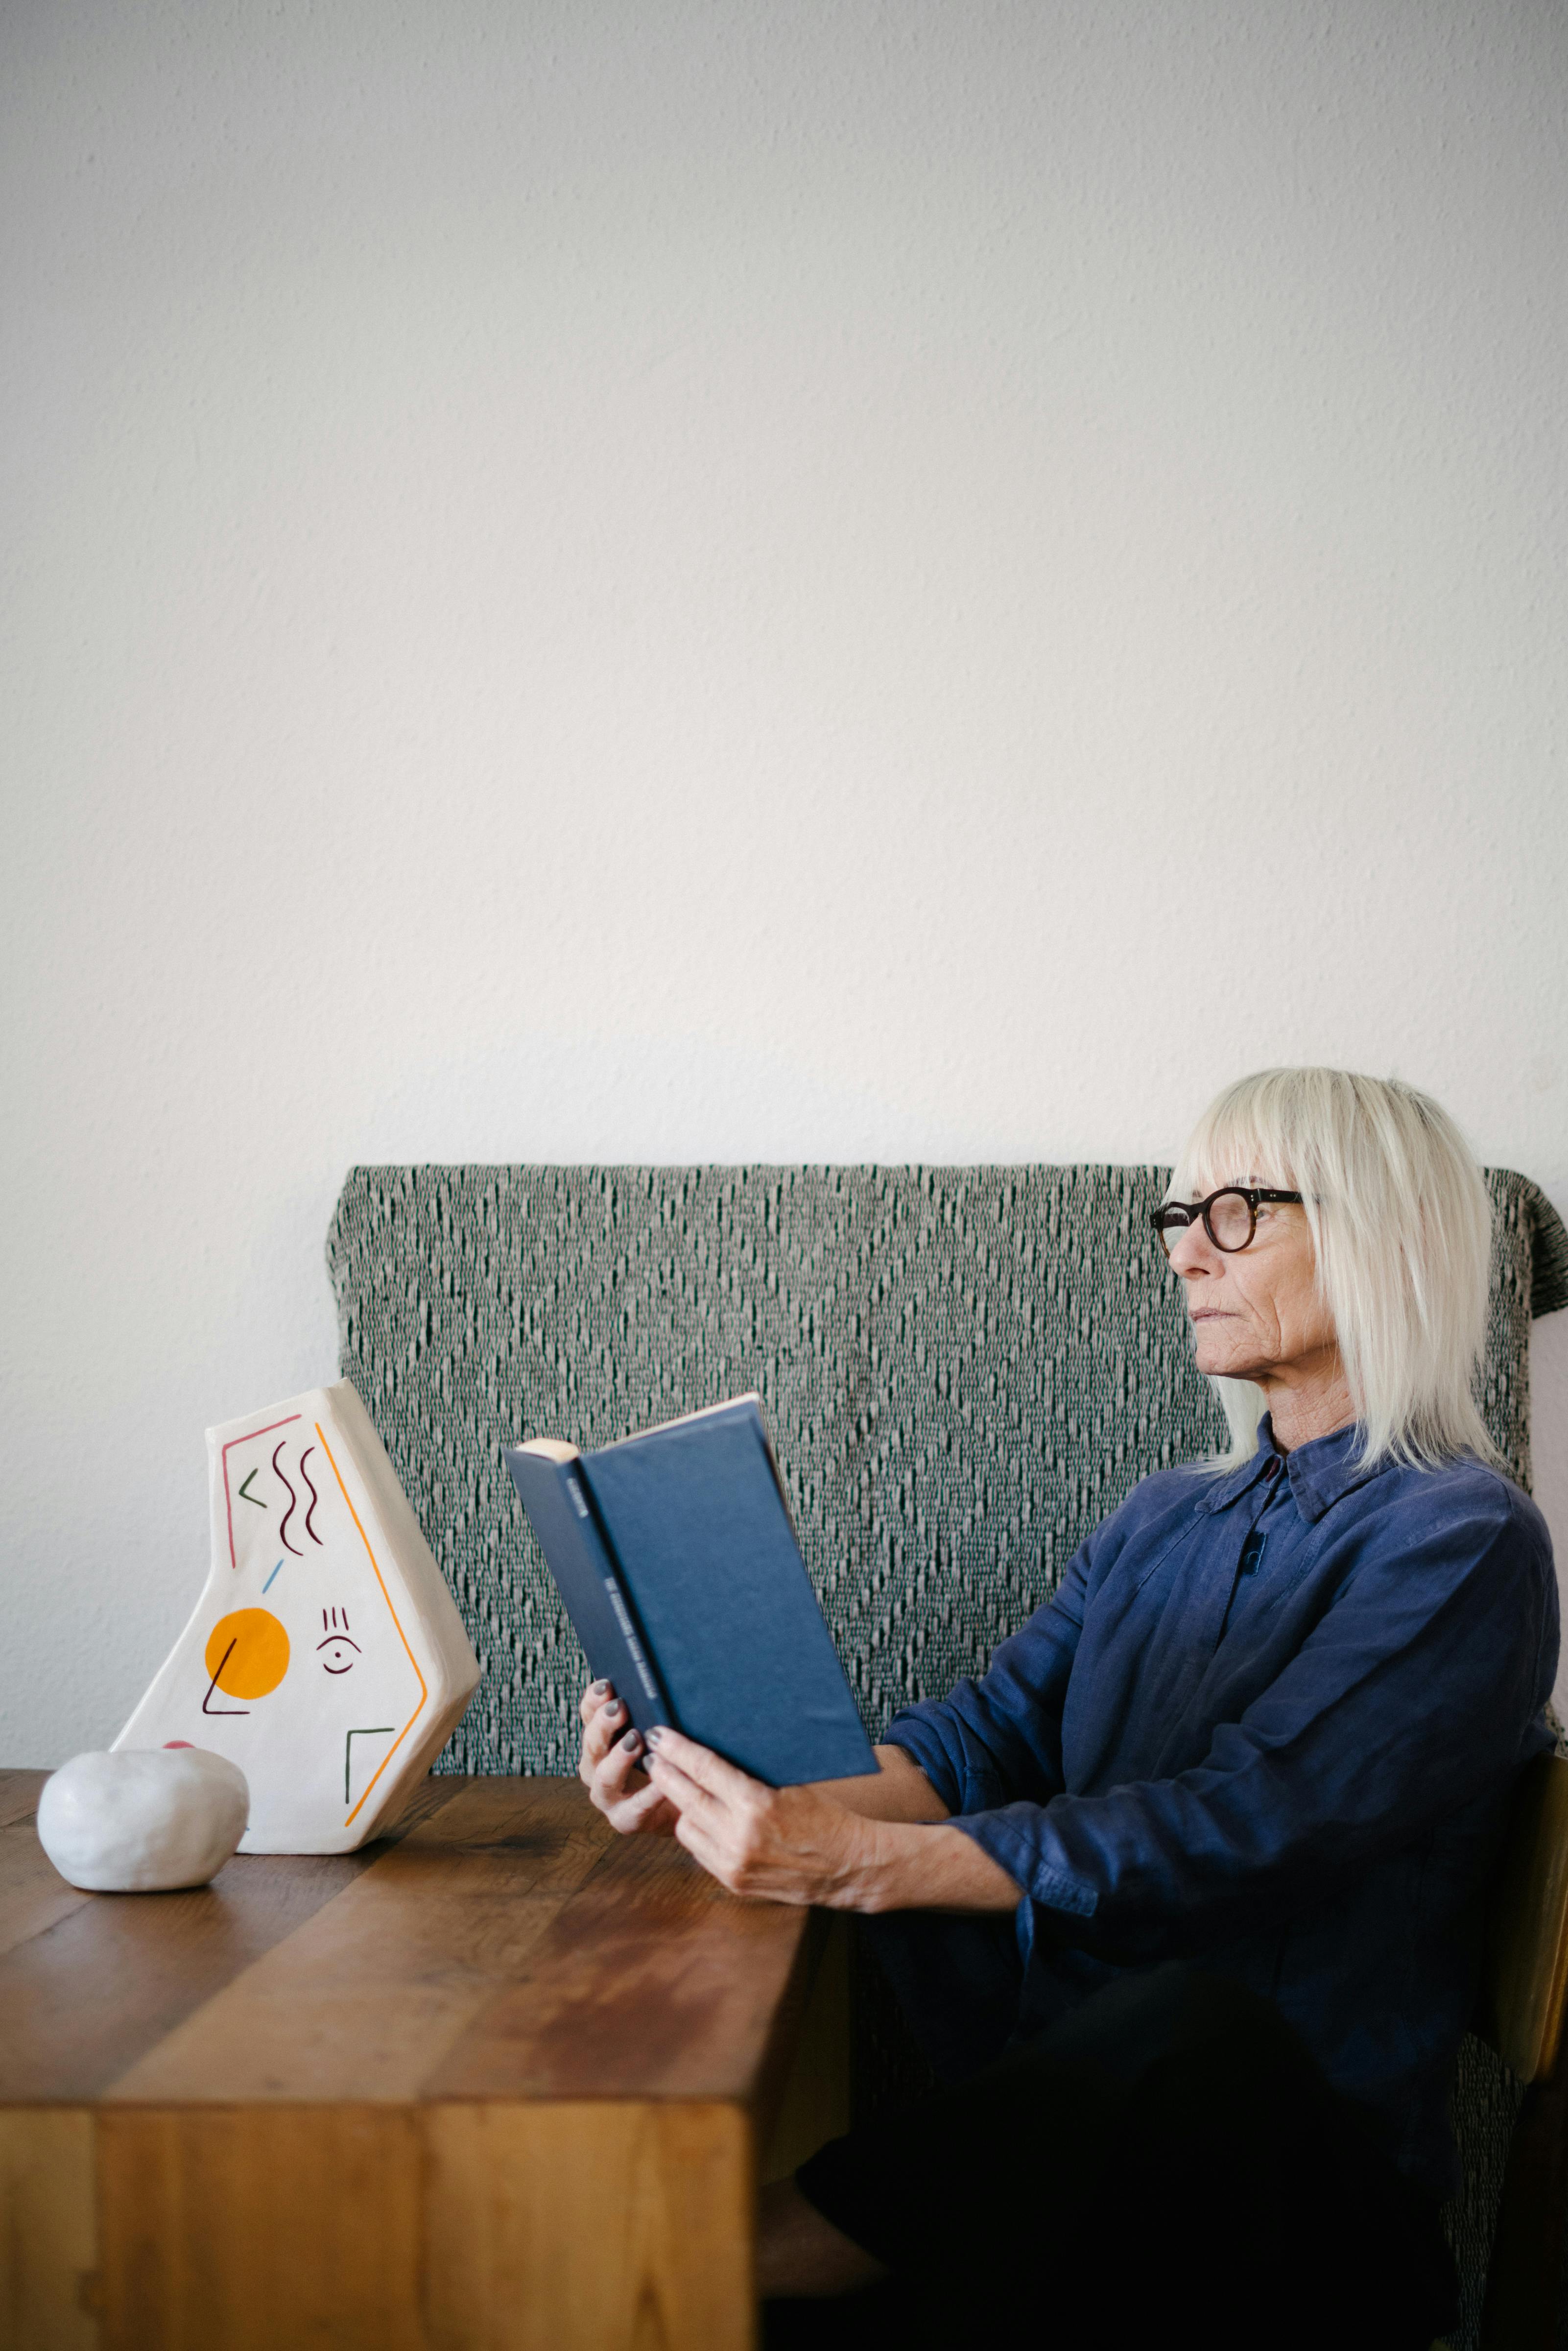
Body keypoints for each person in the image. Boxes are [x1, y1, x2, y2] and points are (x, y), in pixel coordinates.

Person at [576, 1068, 1558, 2349]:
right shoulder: (1162, 1518)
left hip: (1289, 2221)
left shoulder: (1463, 1539)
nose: (1187, 1256)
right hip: (1038, 2179)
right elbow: (980, 1737)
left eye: (1239, 1211)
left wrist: (864, 1863)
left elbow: (1245, 1821)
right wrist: (737, 1789)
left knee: (1194, 2028)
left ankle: (748, 2246)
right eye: (1178, 1217)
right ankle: (760, 2261)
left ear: (1389, 1235)